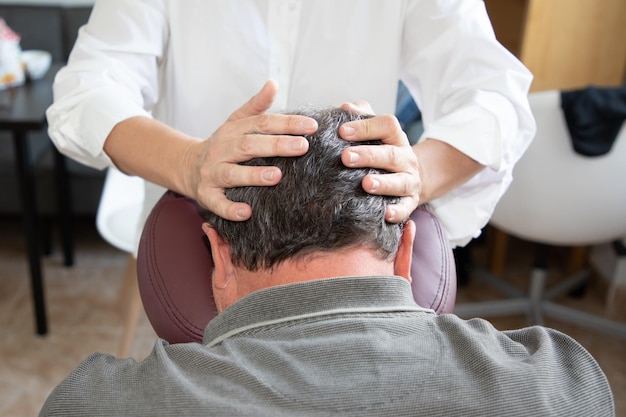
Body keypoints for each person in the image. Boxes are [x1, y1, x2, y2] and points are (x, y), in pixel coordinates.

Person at [40, 107, 613, 417]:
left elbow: (83, 97)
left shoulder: (95, 403)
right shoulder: (558, 385)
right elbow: (502, 98)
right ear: (407, 253)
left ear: (217, 257)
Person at [47, 0, 536, 248]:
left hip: (351, 253)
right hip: (197, 234)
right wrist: (188, 162)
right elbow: (86, 90)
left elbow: (496, 95)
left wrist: (420, 172)